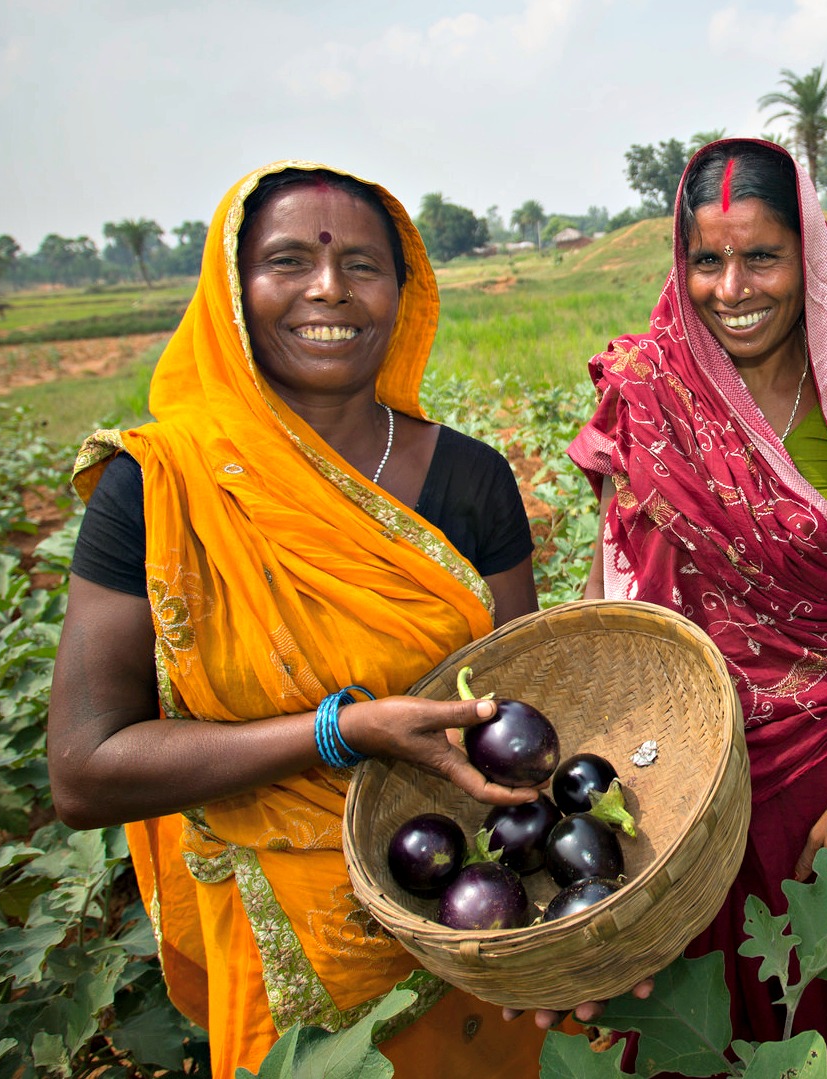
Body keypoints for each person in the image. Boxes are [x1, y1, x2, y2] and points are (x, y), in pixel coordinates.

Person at [47, 162, 569, 1077]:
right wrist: (342, 731)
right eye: (287, 260)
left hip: (472, 916)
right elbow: (86, 770)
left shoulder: (474, 478)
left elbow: (523, 731)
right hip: (293, 952)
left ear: (403, 295)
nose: (328, 288)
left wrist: (582, 910)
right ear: (234, 292)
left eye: (362, 264)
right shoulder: (161, 487)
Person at [566, 139, 827, 1067]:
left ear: (808, 257)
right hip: (679, 778)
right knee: (686, 1017)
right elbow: (611, 592)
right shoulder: (647, 394)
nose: (733, 286)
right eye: (708, 259)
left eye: (762, 257)